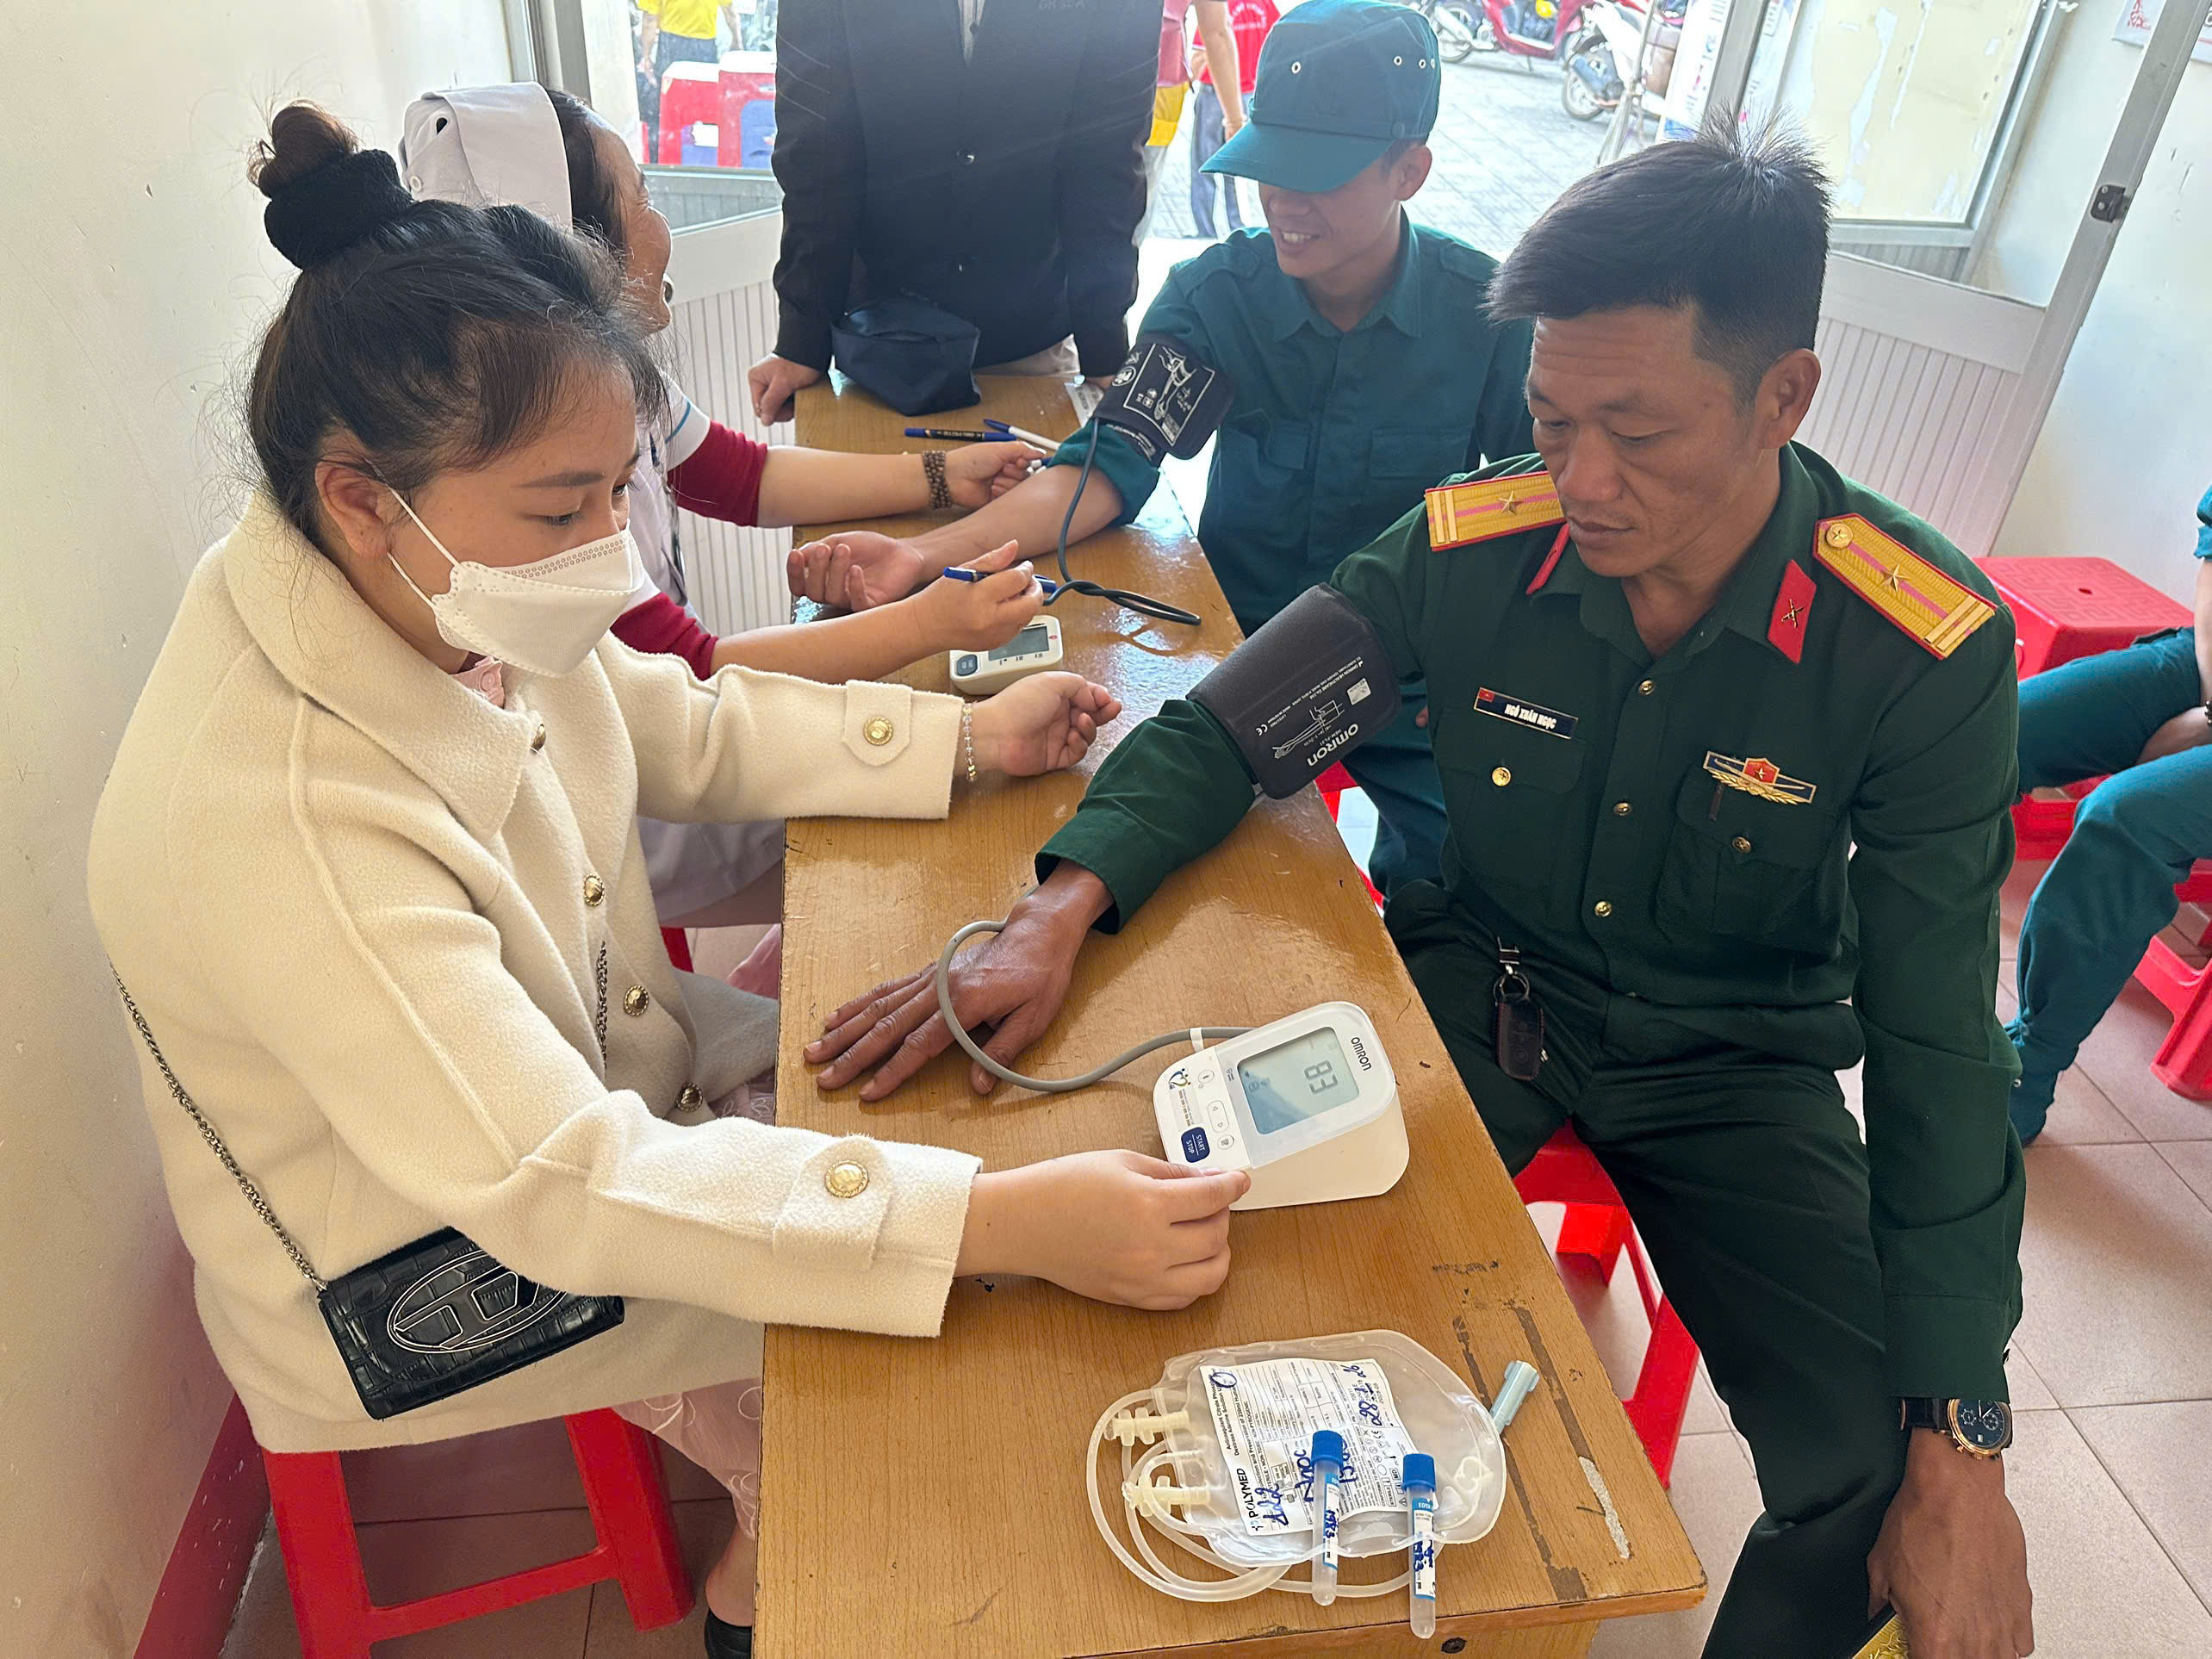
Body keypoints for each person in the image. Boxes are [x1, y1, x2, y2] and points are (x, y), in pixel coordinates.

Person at [810, 124, 2037, 1659]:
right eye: (1550, 419)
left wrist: (1964, 1440)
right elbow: (1233, 730)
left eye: (1636, 433)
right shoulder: (1478, 543)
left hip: (1739, 1067)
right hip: (1488, 992)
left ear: (1781, 396)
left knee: (1878, 1484)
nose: (1578, 480)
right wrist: (1052, 913)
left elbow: (1937, 1044)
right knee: (1226, 1268)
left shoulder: (1913, 642)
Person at [87, 106, 1248, 1659]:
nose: (607, 553)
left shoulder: (424, 572)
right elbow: (558, 1187)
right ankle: (762, 1595)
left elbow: (677, 719)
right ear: (360, 495)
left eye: (610, 494)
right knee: (890, 1395)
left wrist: (963, 738)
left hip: (570, 1090)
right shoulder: (279, 815)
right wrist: (992, 1224)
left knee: (943, 1124)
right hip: (422, 1268)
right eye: (562, 510)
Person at [788, 0, 1535, 900]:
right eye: (1271, 165)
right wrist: (923, 559)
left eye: (1321, 175)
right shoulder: (1218, 298)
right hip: (1241, 655)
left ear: (1409, 170)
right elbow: (1106, 467)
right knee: (1160, 874)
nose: (1285, 203)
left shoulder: (1491, 320)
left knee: (1466, 888)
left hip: (1412, 687)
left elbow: (1536, 524)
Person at [402, 83, 1047, 937]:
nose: (660, 225)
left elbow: (740, 477)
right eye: (641, 198)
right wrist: (935, 628)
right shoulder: (538, 476)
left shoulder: (600, 386)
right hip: (639, 798)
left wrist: (937, 475)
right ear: (575, 246)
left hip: (669, 749)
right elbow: (692, 672)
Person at [748, 0, 1159, 422]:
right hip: (884, 343)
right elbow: (816, 158)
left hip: (1033, 337)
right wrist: (801, 339)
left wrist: (1105, 348)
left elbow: (1107, 166)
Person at [2007, 486, 2212, 1143]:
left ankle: (2028, 1065)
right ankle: (1868, 932)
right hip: (2207, 663)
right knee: (1992, 731)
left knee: (2129, 817)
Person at [1137, 1, 1246, 242]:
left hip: (1088, 82)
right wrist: (1234, 120)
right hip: (1158, 91)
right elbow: (1216, 32)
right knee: (1132, 211)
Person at [1189, 0, 1275, 237]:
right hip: (1248, 95)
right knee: (1235, 169)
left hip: (1214, 93)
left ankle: (1205, 232)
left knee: (1204, 164)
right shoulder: (1264, 5)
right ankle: (1237, 228)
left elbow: (1204, 51)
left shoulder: (1218, 7)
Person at [637, 0, 732, 154]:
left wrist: (646, 57)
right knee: (706, 104)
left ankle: (666, 155)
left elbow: (650, 18)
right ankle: (708, 157)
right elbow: (729, 11)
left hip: (671, 46)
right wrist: (737, 40)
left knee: (668, 106)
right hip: (704, 47)